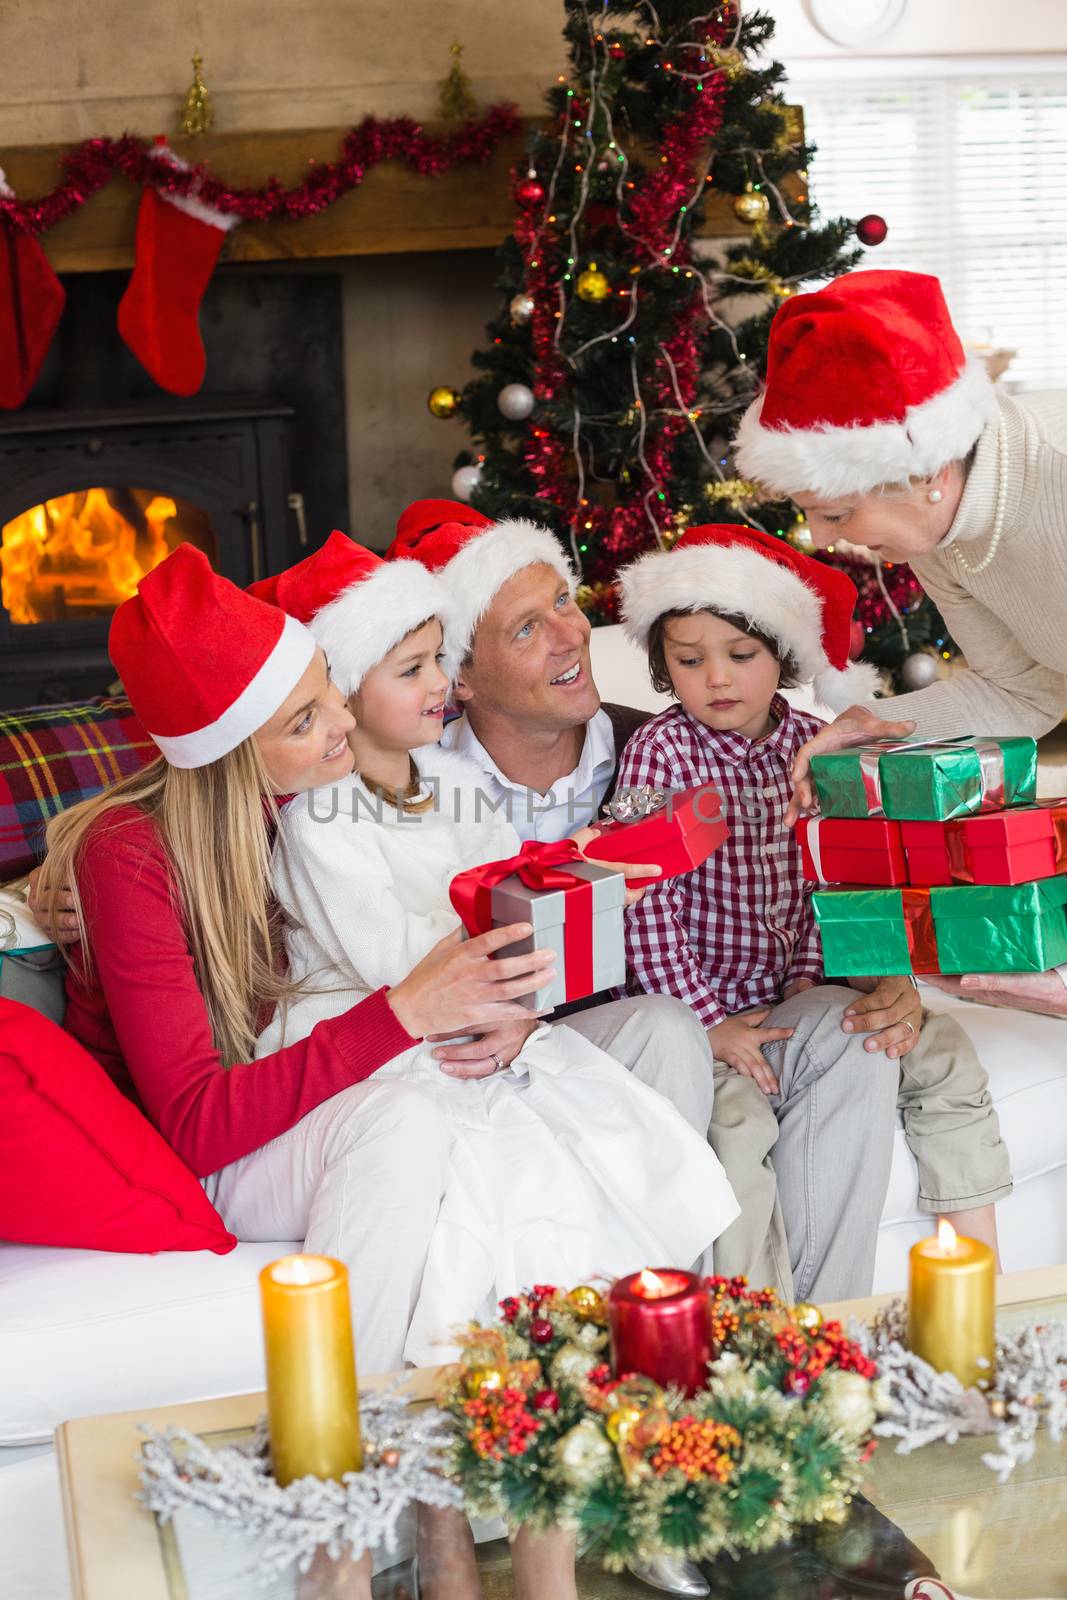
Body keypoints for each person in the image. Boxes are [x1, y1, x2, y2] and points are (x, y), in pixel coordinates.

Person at [28, 545, 568, 1600]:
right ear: (232, 752)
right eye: (307, 722)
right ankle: (339, 1549)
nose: (341, 731)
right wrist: (404, 1013)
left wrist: (500, 1019)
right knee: (407, 1126)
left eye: (330, 699)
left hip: (317, 1116)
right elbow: (193, 1122)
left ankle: (480, 1517)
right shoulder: (131, 855)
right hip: (216, 1154)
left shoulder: (322, 805)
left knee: (488, 1121)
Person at [251, 532, 738, 1600]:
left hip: (488, 1037)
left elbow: (513, 929)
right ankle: (456, 1532)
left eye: (440, 662)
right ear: (343, 693)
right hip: (377, 1055)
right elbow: (397, 967)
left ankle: (588, 1492)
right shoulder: (320, 820)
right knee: (490, 1184)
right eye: (412, 669)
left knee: (603, 1157)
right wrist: (501, 959)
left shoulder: (458, 790)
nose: (440, 690)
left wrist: (535, 973)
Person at [388, 497, 923, 1300]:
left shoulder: (673, 740)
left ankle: (820, 1344)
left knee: (848, 1035)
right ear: (459, 675)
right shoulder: (417, 790)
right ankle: (730, 1345)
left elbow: (815, 861)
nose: (571, 634)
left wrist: (885, 972)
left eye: (564, 602)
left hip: (724, 1010)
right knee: (669, 1032)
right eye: (526, 628)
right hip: (589, 1042)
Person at [615, 522, 1011, 1274]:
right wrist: (709, 1024)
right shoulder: (660, 752)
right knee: (734, 1121)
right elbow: (645, 901)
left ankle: (978, 1276)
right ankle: (764, 1320)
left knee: (917, 1046)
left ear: (782, 656)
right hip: (709, 1002)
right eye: (689, 661)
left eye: (741, 657)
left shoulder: (814, 744)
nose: (717, 679)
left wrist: (807, 973)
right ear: (663, 667)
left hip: (798, 989)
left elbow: (825, 876)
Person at [732, 267, 1067, 1020]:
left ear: (926, 473)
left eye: (835, 511)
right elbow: (1023, 689)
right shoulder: (939, 532)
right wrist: (874, 730)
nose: (821, 540)